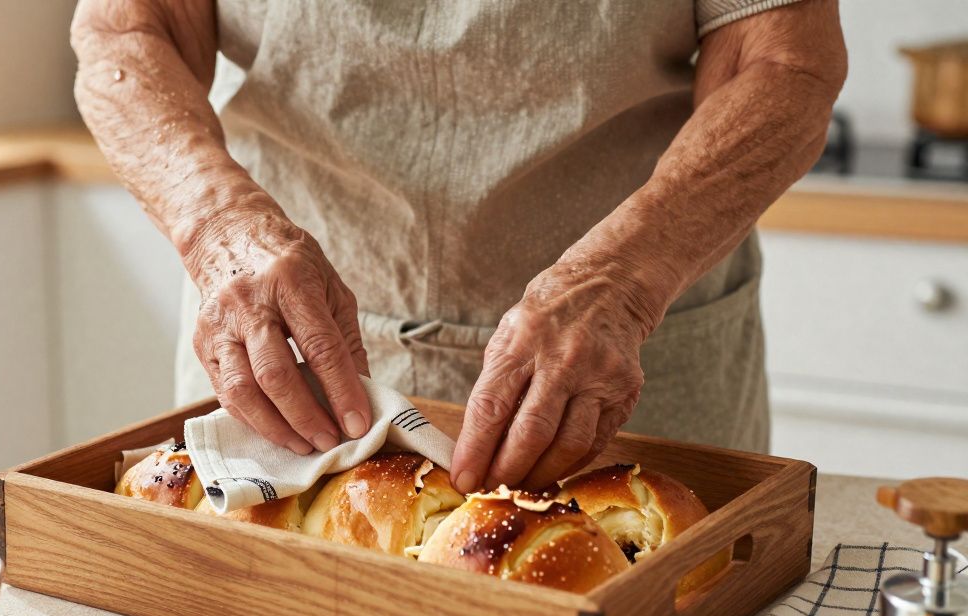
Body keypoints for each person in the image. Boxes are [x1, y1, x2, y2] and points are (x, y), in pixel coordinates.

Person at [71, 0, 846, 493]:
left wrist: (619, 282)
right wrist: (218, 228)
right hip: (280, 332)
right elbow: (128, 28)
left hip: (627, 336)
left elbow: (781, 62)